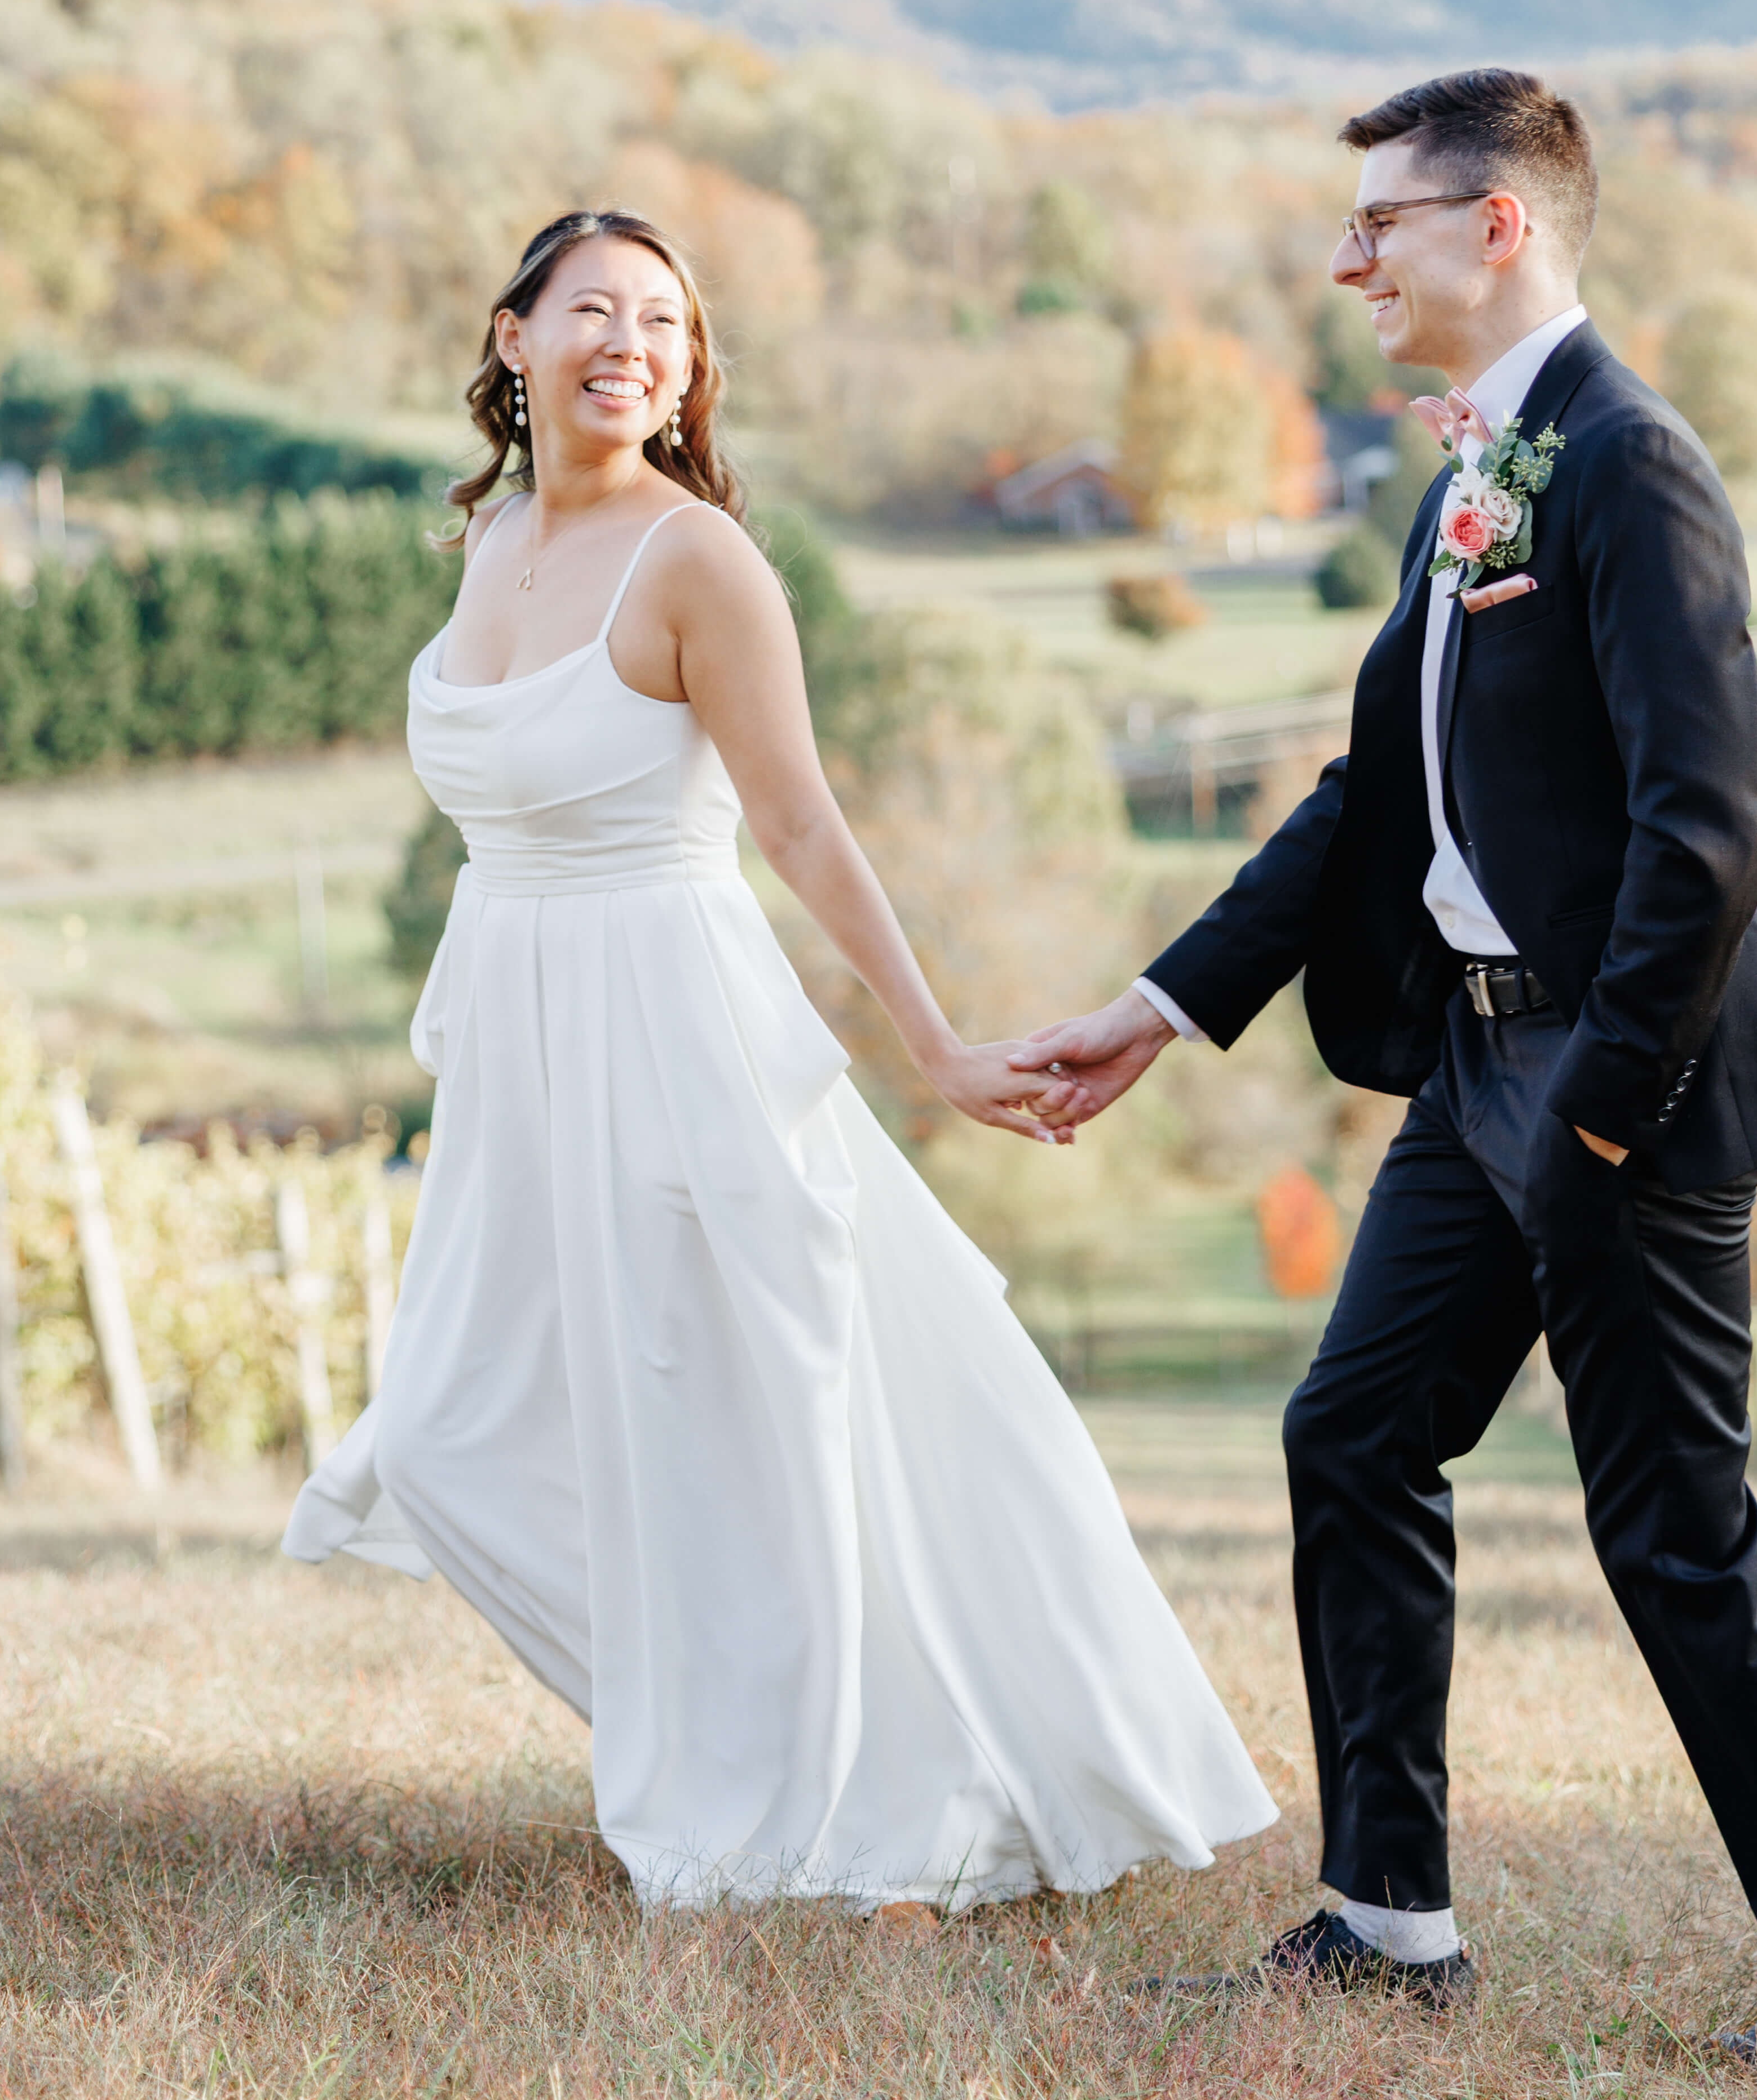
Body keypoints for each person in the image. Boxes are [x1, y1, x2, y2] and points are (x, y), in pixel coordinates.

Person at [1016, 70, 1757, 2062]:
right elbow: (1371, 797)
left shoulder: (1630, 464)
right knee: (1352, 1435)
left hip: (1627, 1082)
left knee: (1675, 1537)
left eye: (1380, 221)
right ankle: (1390, 1923)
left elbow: (1707, 834)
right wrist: (1164, 1004)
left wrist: (1603, 1118)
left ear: (1501, 225)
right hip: (1471, 1074)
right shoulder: (1476, 473)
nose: (1348, 259)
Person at [286, 207, 1274, 1914]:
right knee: (446, 1432)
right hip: (523, 1039)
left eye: (664, 322)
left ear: (690, 369)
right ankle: (714, 1720)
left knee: (739, 1415)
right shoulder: (495, 538)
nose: (630, 345)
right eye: (594, 310)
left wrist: (936, 1049)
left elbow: (802, 826)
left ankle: (853, 1786)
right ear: (513, 338)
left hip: (675, 1028)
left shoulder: (700, 564)